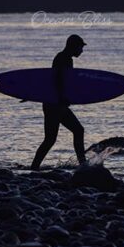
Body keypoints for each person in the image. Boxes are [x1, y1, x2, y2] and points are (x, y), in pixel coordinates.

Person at [31, 34, 88, 170]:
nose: (82, 51)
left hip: (52, 102)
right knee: (77, 130)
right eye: (80, 47)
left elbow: (55, 80)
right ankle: (83, 165)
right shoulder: (64, 59)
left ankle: (34, 167)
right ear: (74, 46)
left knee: (50, 139)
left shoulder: (62, 57)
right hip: (55, 104)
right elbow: (58, 79)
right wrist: (62, 97)